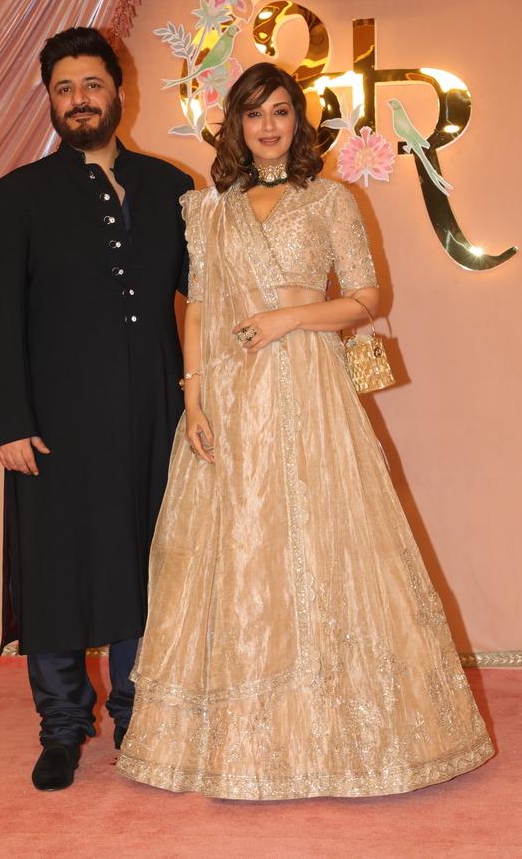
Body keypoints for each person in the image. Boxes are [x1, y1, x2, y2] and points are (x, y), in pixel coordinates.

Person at [116, 63, 494, 799]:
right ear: (235, 123)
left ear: (299, 121)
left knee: (321, 542)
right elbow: (198, 308)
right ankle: (234, 738)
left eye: (281, 111)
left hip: (308, 389)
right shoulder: (208, 209)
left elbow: (365, 297)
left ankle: (341, 731)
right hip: (228, 391)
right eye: (254, 113)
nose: (267, 126)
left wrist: (288, 318)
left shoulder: (329, 199)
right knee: (235, 548)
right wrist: (193, 397)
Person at [0, 27, 193, 791]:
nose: (79, 100)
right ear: (50, 100)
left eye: (91, 85)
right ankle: (63, 728)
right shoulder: (18, 196)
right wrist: (10, 422)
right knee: (54, 572)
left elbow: (208, 295)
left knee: (145, 565)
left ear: (117, 91)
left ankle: (139, 716)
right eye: (64, 89)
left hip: (153, 419)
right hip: (53, 426)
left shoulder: (171, 187)